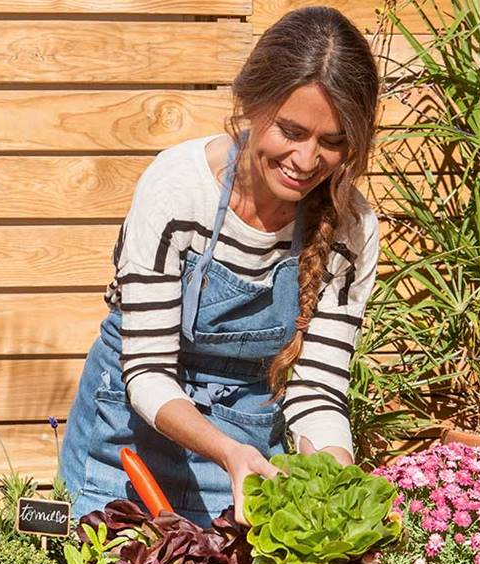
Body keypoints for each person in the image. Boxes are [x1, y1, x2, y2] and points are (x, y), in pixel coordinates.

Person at [59, 6, 383, 526]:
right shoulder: (178, 189)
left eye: (332, 142)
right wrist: (227, 452)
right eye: (291, 131)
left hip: (244, 450)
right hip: (124, 443)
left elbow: (318, 389)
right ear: (252, 104)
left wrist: (335, 479)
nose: (306, 160)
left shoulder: (351, 228)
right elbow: (147, 372)